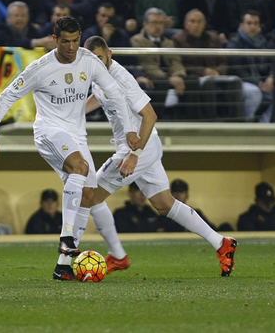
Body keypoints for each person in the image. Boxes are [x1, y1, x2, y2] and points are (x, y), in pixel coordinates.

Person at [0, 16, 139, 281]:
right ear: (54, 39)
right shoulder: (40, 68)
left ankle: (63, 266)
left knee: (88, 195)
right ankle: (67, 238)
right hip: (48, 132)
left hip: (77, 135)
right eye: (65, 41)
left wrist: (129, 131)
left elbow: (113, 92)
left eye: (76, 41)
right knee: (80, 166)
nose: (71, 47)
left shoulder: (88, 60)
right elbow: (8, 94)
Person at [82, 35, 237, 278]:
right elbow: (98, 98)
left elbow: (150, 115)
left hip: (137, 148)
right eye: (91, 60)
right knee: (165, 204)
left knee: (89, 196)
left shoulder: (122, 79)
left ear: (109, 54)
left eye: (100, 58)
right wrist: (76, 112)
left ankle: (118, 256)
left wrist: (134, 155)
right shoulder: (97, 75)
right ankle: (222, 243)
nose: (96, 64)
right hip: (145, 146)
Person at [172, 9, 249, 120]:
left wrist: (218, 71)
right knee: (210, 83)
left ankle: (237, 121)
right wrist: (203, 71)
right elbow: (180, 63)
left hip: (216, 74)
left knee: (235, 81)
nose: (196, 25)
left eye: (199, 21)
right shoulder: (178, 39)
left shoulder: (213, 37)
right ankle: (211, 120)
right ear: (185, 24)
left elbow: (223, 61)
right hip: (196, 77)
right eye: (192, 21)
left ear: (205, 24)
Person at [130, 7, 201, 120]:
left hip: (171, 77)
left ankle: (191, 119)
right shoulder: (137, 41)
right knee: (160, 82)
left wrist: (178, 76)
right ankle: (157, 120)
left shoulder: (169, 42)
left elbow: (176, 62)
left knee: (192, 80)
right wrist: (169, 79)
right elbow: (147, 65)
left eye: (161, 23)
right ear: (145, 24)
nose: (158, 26)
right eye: (154, 23)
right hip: (151, 76)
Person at [226, 10, 275, 122]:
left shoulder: (264, 42)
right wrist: (258, 83)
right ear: (241, 25)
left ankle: (264, 123)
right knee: (254, 93)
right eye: (249, 23)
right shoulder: (234, 43)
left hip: (262, 83)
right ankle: (247, 124)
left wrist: (271, 77)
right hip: (242, 82)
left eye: (256, 23)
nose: (253, 26)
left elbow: (272, 63)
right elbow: (237, 69)